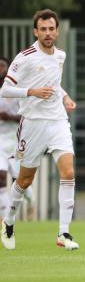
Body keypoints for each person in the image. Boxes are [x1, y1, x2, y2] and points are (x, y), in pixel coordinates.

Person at [0, 9, 79, 250]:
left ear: (57, 31)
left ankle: (63, 234)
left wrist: (64, 97)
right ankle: (9, 222)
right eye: (42, 29)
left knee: (68, 172)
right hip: (32, 124)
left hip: (57, 122)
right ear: (36, 31)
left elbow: (55, 84)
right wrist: (31, 92)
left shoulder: (60, 56)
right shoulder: (25, 57)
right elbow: (5, 90)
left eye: (51, 28)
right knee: (24, 180)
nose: (47, 33)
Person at [0, 57, 35, 221]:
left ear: (8, 70)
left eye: (2, 66)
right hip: (0, 140)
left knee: (19, 180)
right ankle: (4, 217)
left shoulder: (18, 90)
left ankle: (31, 200)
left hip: (16, 140)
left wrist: (10, 117)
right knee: (1, 176)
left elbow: (27, 115)